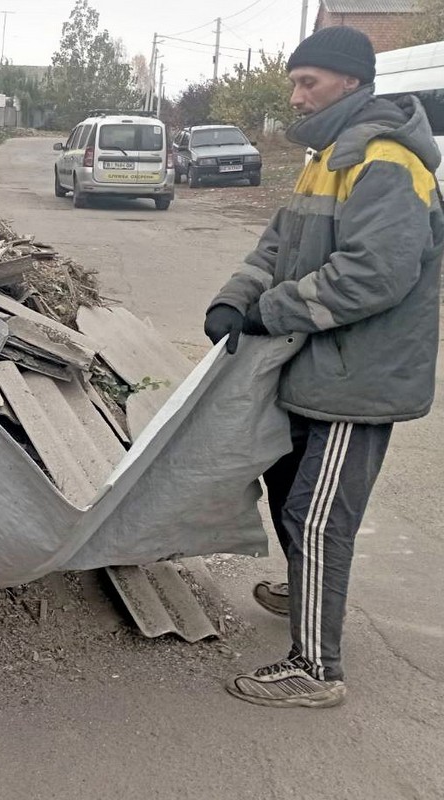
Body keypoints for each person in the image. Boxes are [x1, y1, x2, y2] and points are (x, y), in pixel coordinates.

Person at [204, 26, 443, 709]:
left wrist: (271, 312)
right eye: (294, 81)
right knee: (287, 486)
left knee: (316, 516)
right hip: (315, 364)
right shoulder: (327, 155)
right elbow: (277, 242)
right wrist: (232, 300)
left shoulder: (386, 158)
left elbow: (376, 273)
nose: (295, 94)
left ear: (351, 83)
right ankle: (307, 590)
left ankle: (316, 668)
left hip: (357, 378)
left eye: (308, 82)